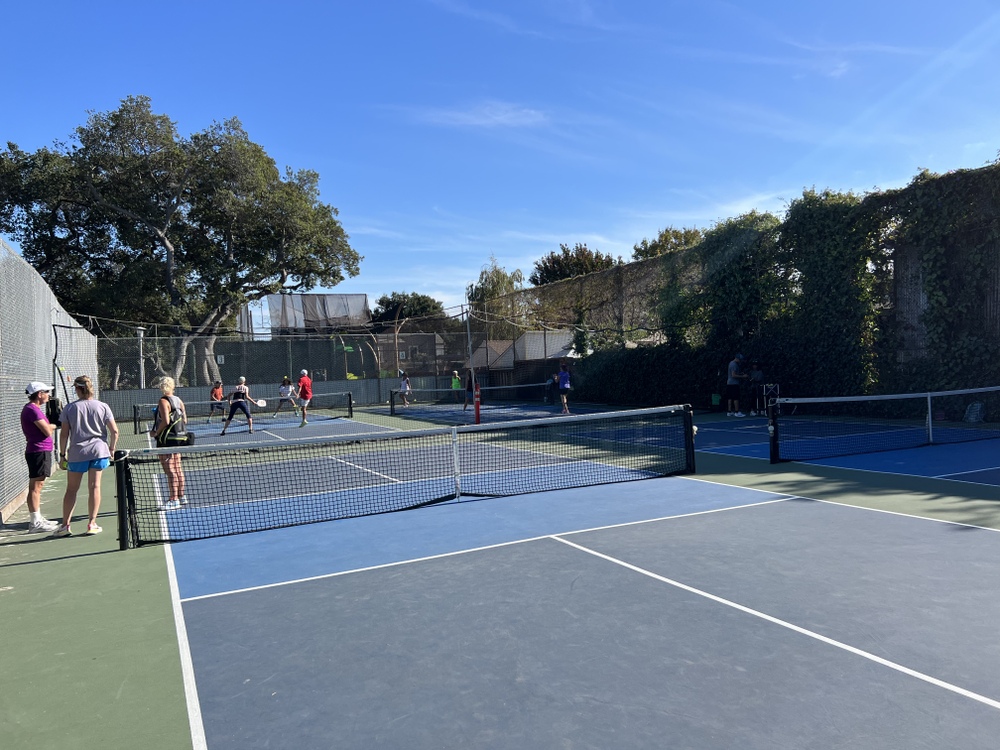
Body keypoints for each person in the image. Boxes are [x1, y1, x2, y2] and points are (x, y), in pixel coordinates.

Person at [52, 375, 118, 537]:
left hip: (77, 453)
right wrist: (111, 449)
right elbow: (115, 431)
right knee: (94, 487)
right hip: (98, 452)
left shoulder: (70, 408)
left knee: (71, 489)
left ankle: (65, 526)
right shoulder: (103, 406)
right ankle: (92, 523)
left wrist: (62, 455)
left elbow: (64, 435)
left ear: (78, 389)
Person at [21, 381, 60, 533]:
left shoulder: (34, 409)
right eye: (46, 392)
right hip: (38, 451)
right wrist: (54, 424)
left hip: (39, 451)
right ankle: (35, 523)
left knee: (37, 486)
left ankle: (37, 518)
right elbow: (46, 431)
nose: (48, 395)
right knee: (36, 487)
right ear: (39, 394)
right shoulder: (32, 410)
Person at [151, 376, 187, 509]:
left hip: (166, 441)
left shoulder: (163, 401)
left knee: (169, 470)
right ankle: (181, 496)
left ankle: (173, 499)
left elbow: (165, 421)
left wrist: (156, 432)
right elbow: (185, 421)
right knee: (177, 468)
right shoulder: (179, 401)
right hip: (178, 439)